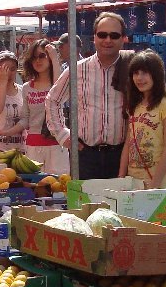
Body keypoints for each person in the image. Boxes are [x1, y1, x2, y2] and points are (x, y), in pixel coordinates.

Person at [46, 12, 133, 180]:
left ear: (123, 39)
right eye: (102, 35)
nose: (107, 40)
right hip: (85, 155)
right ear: (94, 37)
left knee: (120, 205)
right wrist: (62, 135)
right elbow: (53, 100)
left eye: (114, 35)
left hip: (122, 156)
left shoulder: (132, 68)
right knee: (85, 205)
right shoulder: (77, 69)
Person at [0, 39, 67, 173]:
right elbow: (26, 119)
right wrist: (7, 132)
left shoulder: (58, 82)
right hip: (33, 144)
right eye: (34, 57)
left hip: (57, 144)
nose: (37, 60)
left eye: (42, 56)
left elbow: (58, 94)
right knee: (37, 187)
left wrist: (55, 59)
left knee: (59, 187)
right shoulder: (27, 87)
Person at [119, 49, 166, 187]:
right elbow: (128, 143)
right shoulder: (135, 104)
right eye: (136, 73)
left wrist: (155, 183)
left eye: (145, 73)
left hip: (157, 182)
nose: (139, 78)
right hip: (133, 181)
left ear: (156, 75)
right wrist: (121, 176)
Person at [0, 51, 25, 154]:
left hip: (20, 148)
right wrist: (3, 83)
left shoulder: (23, 90)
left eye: (12, 69)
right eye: (4, 69)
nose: (8, 73)